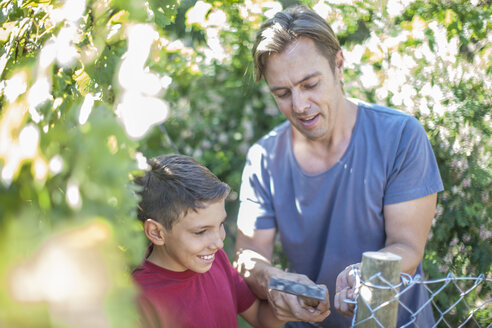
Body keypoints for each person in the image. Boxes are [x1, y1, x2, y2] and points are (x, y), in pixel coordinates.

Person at [234, 5, 443, 327]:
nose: (300, 106)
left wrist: (366, 275)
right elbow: (247, 258)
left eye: (310, 84)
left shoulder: (400, 135)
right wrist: (280, 282)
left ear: (339, 64)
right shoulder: (264, 158)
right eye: (283, 93)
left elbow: (407, 247)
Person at [132, 154, 286, 328]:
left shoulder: (216, 260)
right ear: (157, 233)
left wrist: (287, 307)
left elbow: (259, 317)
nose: (218, 244)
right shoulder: (137, 299)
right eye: (201, 232)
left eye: (220, 224)